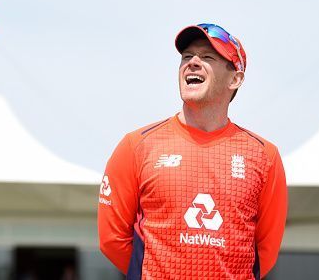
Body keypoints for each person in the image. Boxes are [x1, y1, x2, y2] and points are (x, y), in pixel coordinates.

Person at [98, 23, 287, 280]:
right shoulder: (137, 145)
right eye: (187, 56)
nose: (193, 62)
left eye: (208, 57)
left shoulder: (265, 156)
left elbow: (266, 252)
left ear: (235, 78)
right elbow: (113, 241)